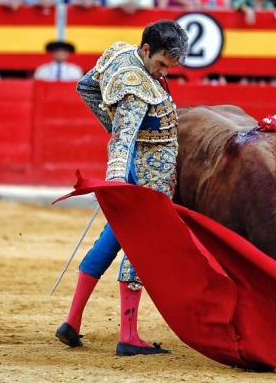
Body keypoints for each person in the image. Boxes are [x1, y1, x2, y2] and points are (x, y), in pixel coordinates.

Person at [55, 20, 190, 356]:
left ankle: (71, 322)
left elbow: (85, 86)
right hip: (147, 172)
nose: (163, 73)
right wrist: (117, 180)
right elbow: (123, 138)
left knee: (111, 238)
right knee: (140, 244)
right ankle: (128, 335)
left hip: (137, 165)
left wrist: (107, 119)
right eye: (160, 64)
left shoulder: (120, 51)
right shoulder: (135, 86)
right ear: (146, 50)